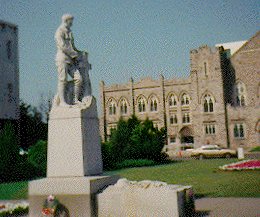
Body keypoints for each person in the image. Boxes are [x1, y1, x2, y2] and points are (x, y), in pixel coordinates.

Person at [55, 14, 83, 106]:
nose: (72, 23)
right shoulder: (59, 31)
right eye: (71, 20)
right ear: (66, 20)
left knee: (78, 78)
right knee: (62, 79)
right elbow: (63, 46)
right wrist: (75, 55)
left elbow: (73, 46)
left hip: (71, 60)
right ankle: (62, 102)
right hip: (62, 59)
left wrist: (80, 53)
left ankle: (75, 99)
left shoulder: (70, 32)